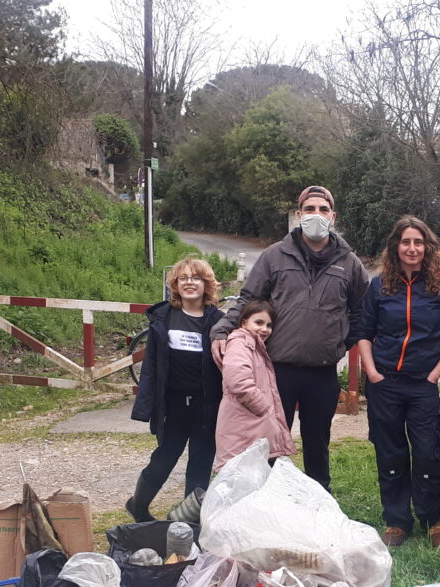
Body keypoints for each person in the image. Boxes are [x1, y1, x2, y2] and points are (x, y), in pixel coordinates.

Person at [212, 185, 369, 491]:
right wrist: (221, 330)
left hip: (322, 372)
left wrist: (340, 342)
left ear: (333, 216)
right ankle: (263, 499)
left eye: (323, 210)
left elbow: (362, 313)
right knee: (267, 441)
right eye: (309, 210)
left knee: (317, 443)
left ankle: (319, 501)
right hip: (276, 371)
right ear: (299, 215)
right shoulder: (275, 256)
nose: (316, 216)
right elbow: (249, 300)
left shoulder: (350, 263)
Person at [354, 216, 440, 549]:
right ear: (395, 247)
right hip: (385, 383)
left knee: (428, 452)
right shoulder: (379, 285)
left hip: (421, 385)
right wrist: (372, 373)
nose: (412, 248)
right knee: (390, 452)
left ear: (426, 247)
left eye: (418, 242)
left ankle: (434, 517)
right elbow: (363, 333)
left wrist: (434, 375)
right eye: (406, 242)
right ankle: (397, 520)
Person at [127, 255, 224, 521]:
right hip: (172, 404)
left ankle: (189, 521)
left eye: (196, 278)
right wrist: (146, 406)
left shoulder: (219, 321)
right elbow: (151, 368)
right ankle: (137, 506)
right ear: (175, 283)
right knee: (165, 457)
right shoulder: (164, 317)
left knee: (201, 463)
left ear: (207, 284)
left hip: (207, 405)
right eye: (183, 278)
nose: (189, 282)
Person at [214, 300, 296, 471]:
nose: (264, 329)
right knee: (242, 481)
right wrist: (264, 408)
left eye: (269, 325)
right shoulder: (240, 343)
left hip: (251, 425)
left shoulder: (255, 346)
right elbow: (239, 381)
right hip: (243, 425)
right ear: (244, 322)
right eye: (258, 322)